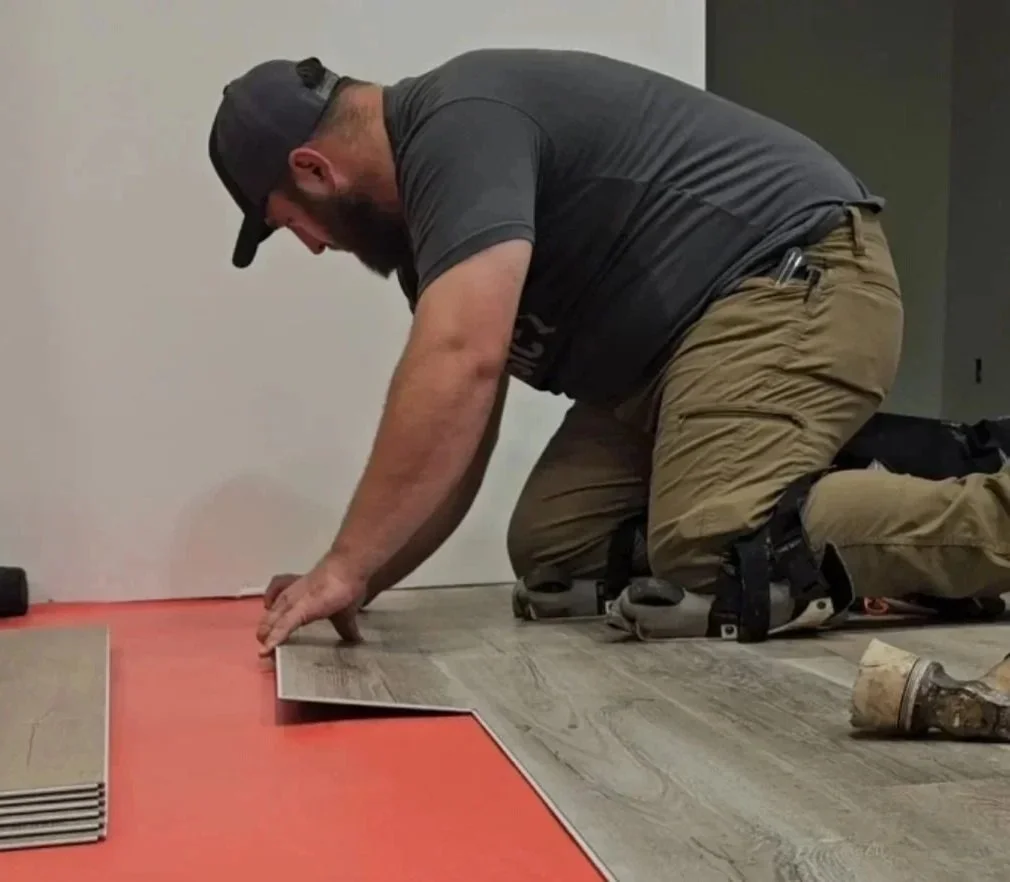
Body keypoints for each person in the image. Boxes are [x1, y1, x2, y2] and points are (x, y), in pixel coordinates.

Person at [207, 48, 1010, 656]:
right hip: (665, 366)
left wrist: (343, 560)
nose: (310, 246)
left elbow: (461, 358)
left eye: (290, 223)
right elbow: (461, 426)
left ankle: (985, 516)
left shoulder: (459, 122)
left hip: (791, 278)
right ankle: (824, 476)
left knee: (711, 551)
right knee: (555, 554)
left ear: (314, 168)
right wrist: (365, 580)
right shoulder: (427, 232)